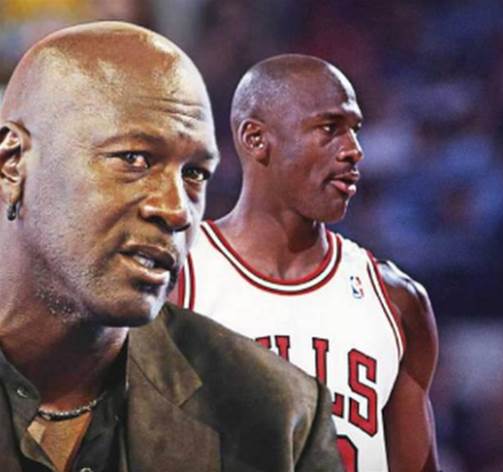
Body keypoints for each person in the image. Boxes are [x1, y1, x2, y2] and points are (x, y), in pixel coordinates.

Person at [0, 22, 341, 471]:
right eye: (134, 159)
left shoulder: (277, 414)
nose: (177, 210)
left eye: (195, 174)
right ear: (12, 164)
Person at [173, 54, 439, 472]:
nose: (354, 151)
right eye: (330, 129)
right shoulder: (173, 283)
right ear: (256, 139)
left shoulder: (396, 300)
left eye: (355, 130)